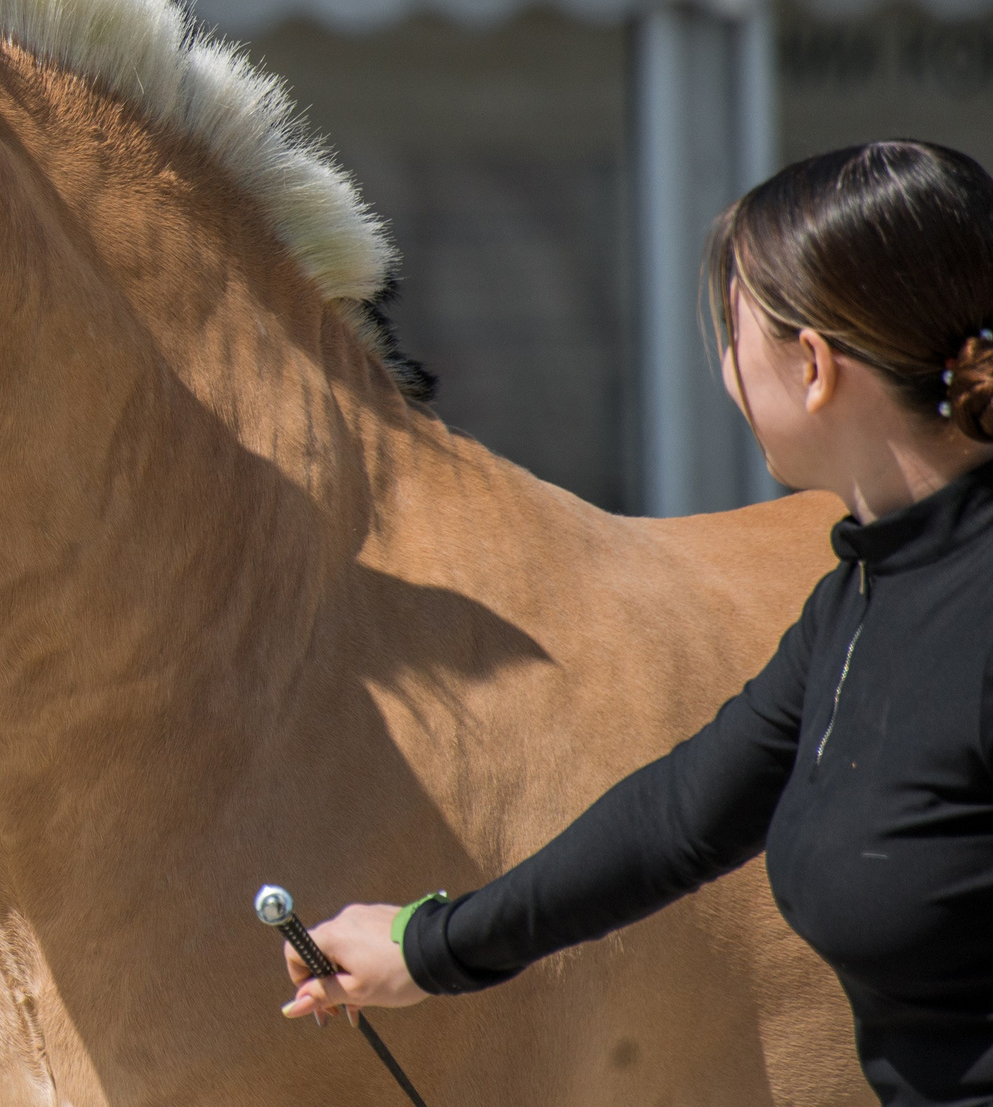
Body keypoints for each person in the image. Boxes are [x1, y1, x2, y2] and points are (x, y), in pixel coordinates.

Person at [282, 141, 993, 1107]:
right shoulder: (859, 599)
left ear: (815, 367)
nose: (728, 369)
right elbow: (678, 818)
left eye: (736, 331)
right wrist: (426, 946)